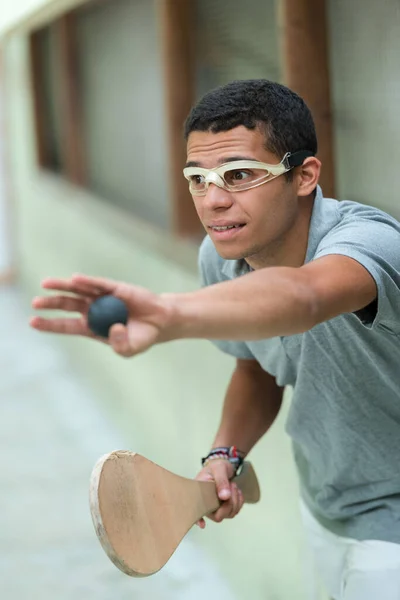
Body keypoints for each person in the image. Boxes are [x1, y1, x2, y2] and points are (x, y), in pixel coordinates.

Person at [30, 79, 400, 600]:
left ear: (304, 176)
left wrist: (168, 313)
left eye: (239, 175)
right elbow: (257, 365)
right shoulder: (220, 257)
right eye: (198, 179)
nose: (214, 200)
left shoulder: (371, 243)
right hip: (327, 507)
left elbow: (305, 297)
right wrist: (226, 454)